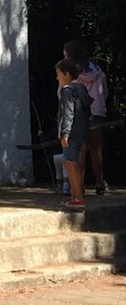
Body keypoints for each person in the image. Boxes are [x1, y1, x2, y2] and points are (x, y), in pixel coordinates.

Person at [64, 40, 109, 195]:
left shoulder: (71, 71)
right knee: (96, 150)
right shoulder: (97, 70)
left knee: (80, 149)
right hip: (97, 112)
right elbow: (104, 92)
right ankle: (99, 184)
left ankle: (79, 185)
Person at [55, 57, 93, 210]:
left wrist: (65, 133)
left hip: (71, 133)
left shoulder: (68, 91)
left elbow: (68, 113)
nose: (57, 77)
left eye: (59, 73)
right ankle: (75, 196)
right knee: (72, 162)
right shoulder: (82, 89)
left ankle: (77, 197)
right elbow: (87, 110)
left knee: (71, 164)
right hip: (81, 132)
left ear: (67, 74)